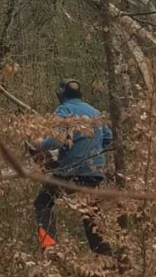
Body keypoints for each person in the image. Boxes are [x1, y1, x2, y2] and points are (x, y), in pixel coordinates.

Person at [31, 78, 113, 256]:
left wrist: (40, 144)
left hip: (70, 171)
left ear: (61, 94)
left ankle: (49, 246)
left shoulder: (64, 110)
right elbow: (108, 138)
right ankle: (105, 258)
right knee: (90, 212)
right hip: (94, 172)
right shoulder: (94, 111)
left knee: (44, 202)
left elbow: (55, 140)